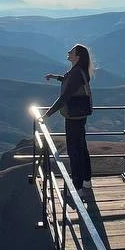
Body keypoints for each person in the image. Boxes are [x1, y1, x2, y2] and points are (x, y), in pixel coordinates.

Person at [44, 43, 94, 191]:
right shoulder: (79, 71)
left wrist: (47, 114)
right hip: (80, 115)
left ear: (77, 56)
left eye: (71, 52)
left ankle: (77, 185)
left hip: (74, 117)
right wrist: (55, 77)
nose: (68, 52)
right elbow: (70, 83)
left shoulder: (76, 72)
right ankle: (86, 181)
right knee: (81, 148)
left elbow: (65, 97)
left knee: (74, 150)